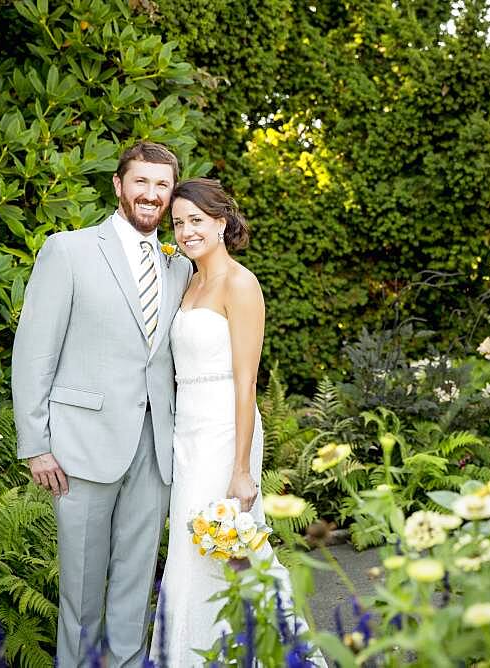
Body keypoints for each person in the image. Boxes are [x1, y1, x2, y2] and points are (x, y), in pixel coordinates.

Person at [12, 142, 192, 667]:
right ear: (118, 186)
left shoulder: (179, 267)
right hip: (80, 448)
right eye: (141, 182)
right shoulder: (68, 250)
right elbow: (33, 352)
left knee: (135, 594)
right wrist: (36, 445)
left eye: (162, 186)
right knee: (82, 596)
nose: (151, 195)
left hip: (155, 451)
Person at [152, 179, 315, 666]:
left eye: (196, 221)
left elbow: (246, 384)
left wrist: (242, 469)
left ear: (221, 223)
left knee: (226, 552)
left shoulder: (240, 284)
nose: (185, 231)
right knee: (189, 553)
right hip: (187, 434)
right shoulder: (188, 279)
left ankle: (277, 652)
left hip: (226, 430)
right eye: (178, 223)